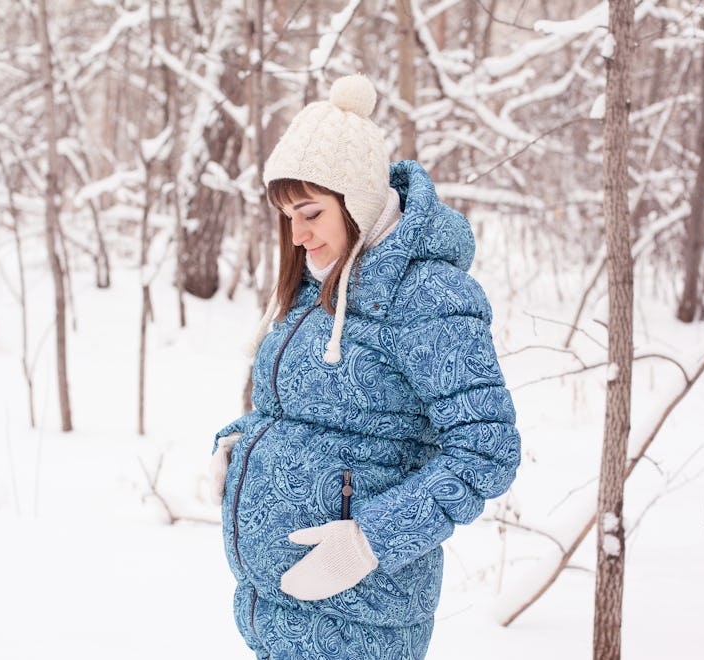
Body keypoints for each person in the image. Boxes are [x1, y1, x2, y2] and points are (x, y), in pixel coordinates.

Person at [208, 74, 520, 660]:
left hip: (360, 622)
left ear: (357, 201)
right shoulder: (316, 287)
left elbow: (487, 450)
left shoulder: (427, 296)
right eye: (286, 218)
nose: (297, 237)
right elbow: (312, 417)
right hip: (279, 615)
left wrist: (370, 541)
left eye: (310, 213)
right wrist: (241, 444)